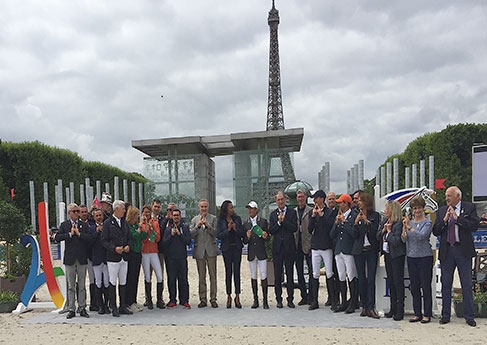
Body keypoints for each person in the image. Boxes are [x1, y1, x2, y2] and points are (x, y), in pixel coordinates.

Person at [433, 186, 480, 327]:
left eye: (449, 196)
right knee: (446, 284)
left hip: (463, 250)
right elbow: (436, 231)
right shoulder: (441, 210)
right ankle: (445, 315)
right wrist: (445, 219)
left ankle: (469, 316)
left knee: (466, 284)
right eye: (446, 196)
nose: (446, 198)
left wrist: (458, 218)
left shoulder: (469, 207)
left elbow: (474, 226)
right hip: (447, 250)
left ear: (457, 196)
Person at [55, 203, 94, 319]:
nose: (77, 213)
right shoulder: (65, 225)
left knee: (81, 285)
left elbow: (90, 238)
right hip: (70, 259)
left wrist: (79, 234)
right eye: (74, 211)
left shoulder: (83, 225)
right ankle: (71, 308)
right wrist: (69, 234)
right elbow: (57, 237)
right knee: (71, 286)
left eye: (78, 211)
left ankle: (82, 307)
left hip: (81, 258)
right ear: (69, 213)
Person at [401, 196, 433, 324]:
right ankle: (417, 312)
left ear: (423, 208)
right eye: (415, 208)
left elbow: (422, 236)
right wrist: (405, 228)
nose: (417, 211)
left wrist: (409, 228)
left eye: (419, 208)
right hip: (412, 256)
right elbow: (404, 239)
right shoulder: (410, 222)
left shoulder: (427, 222)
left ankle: (427, 313)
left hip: (425, 257)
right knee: (414, 287)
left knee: (425, 286)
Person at [351, 192, 381, 319]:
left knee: (371, 279)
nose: (358, 202)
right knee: (361, 279)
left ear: (366, 202)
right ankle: (363, 306)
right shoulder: (355, 215)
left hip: (371, 250)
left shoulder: (375, 215)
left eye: (361, 201)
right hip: (359, 250)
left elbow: (375, 232)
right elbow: (353, 235)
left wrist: (366, 221)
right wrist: (356, 224)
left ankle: (371, 306)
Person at [101, 200, 133, 317]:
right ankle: (113, 306)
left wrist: (128, 245)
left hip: (124, 256)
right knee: (113, 282)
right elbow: (104, 240)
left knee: (123, 282)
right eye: (123, 209)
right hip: (113, 257)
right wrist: (114, 248)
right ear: (116, 209)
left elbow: (129, 237)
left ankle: (123, 305)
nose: (124, 211)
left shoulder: (125, 223)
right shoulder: (108, 223)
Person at [330, 194, 359, 314]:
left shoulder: (353, 215)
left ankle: (353, 302)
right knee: (341, 275)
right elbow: (332, 235)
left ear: (346, 203)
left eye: (341, 202)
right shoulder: (338, 216)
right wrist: (336, 223)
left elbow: (354, 233)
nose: (339, 205)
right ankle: (343, 302)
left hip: (348, 249)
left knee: (351, 275)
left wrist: (345, 222)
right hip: (339, 249)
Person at [308, 190, 336, 311]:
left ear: (322, 199)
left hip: (326, 246)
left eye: (316, 198)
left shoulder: (330, 212)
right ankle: (314, 300)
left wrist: (321, 215)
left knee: (329, 273)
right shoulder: (311, 212)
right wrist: (313, 217)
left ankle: (333, 300)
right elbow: (309, 229)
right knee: (315, 274)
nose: (314, 200)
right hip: (315, 246)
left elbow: (330, 226)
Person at [378, 200, 406, 321]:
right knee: (391, 282)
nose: (385, 211)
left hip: (397, 255)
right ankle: (392, 307)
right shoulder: (385, 221)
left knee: (397, 282)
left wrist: (388, 233)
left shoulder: (398, 224)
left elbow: (396, 241)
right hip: (388, 255)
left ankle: (400, 309)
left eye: (387, 209)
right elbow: (377, 236)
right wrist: (384, 230)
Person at [269, 191, 298, 309]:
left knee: (290, 274)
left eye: (282, 199)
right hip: (277, 248)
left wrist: (284, 221)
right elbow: (272, 230)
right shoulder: (272, 214)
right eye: (278, 200)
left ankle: (290, 299)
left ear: (285, 200)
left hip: (289, 247)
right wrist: (278, 222)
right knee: (277, 274)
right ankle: (278, 299)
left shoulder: (291, 212)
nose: (280, 202)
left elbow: (294, 228)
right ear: (276, 202)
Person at [190, 199, 219, 308]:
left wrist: (208, 225)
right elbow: (191, 235)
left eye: (205, 207)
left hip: (211, 250)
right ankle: (203, 299)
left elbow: (216, 233)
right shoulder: (194, 219)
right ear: (199, 208)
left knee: (213, 276)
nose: (203, 209)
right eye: (202, 207)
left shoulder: (213, 219)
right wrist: (197, 226)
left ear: (208, 207)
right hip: (199, 251)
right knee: (201, 276)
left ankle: (213, 299)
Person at [217, 200, 245, 308]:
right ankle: (228, 296)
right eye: (230, 208)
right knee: (228, 272)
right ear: (226, 209)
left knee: (237, 272)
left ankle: (237, 296)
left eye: (233, 207)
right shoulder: (221, 220)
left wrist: (235, 228)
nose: (232, 209)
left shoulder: (237, 219)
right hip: (227, 249)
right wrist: (228, 230)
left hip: (237, 248)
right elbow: (219, 235)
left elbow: (242, 233)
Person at [242, 201, 270, 309]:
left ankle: (265, 300)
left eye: (252, 208)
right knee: (253, 276)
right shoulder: (246, 223)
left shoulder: (263, 222)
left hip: (261, 252)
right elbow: (244, 241)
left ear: (256, 210)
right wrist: (247, 237)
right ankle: (255, 299)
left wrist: (265, 235)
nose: (250, 210)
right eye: (248, 208)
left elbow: (267, 238)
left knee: (264, 275)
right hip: (252, 253)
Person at [163, 208, 191, 309]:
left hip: (182, 258)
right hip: (170, 259)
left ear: (180, 216)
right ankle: (172, 300)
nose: (176, 217)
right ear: (172, 217)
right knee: (171, 280)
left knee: (183, 280)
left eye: (177, 215)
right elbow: (164, 243)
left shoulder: (185, 227)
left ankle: (184, 300)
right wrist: (171, 235)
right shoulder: (167, 229)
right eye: (174, 215)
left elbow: (188, 241)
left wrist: (180, 234)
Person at [141, 205, 164, 310]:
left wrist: (152, 228)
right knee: (147, 276)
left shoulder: (155, 223)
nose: (146, 214)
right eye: (145, 212)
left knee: (159, 276)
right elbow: (144, 240)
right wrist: (145, 229)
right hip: (145, 252)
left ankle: (159, 299)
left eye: (148, 212)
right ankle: (149, 299)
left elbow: (157, 238)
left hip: (154, 251)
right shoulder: (140, 224)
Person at [124, 206, 147, 312]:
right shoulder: (127, 225)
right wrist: (138, 233)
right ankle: (128, 301)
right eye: (137, 214)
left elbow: (143, 235)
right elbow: (134, 236)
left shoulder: (136, 225)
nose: (139, 216)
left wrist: (142, 231)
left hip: (138, 253)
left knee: (136, 278)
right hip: (131, 254)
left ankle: (133, 300)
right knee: (130, 278)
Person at [89, 208, 110, 315]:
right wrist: (97, 232)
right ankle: (100, 305)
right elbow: (90, 242)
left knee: (107, 282)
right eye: (96, 216)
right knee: (98, 282)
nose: (98, 217)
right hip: (96, 259)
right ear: (94, 217)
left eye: (100, 215)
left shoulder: (107, 226)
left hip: (106, 258)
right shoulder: (92, 228)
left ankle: (107, 305)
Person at [294, 190, 313, 306]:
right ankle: (303, 295)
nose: (300, 199)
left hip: (308, 244)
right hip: (297, 245)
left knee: (311, 271)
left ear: (306, 198)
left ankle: (311, 295)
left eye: (302, 197)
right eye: (299, 197)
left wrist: (311, 246)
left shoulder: (310, 211)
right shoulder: (294, 212)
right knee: (299, 272)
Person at [79, 204, 98, 312]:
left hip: (90, 255)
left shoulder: (91, 224)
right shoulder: (76, 225)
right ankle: (81, 304)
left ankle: (93, 303)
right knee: (80, 282)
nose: (84, 214)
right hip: (80, 255)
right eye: (82, 212)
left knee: (93, 280)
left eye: (85, 212)